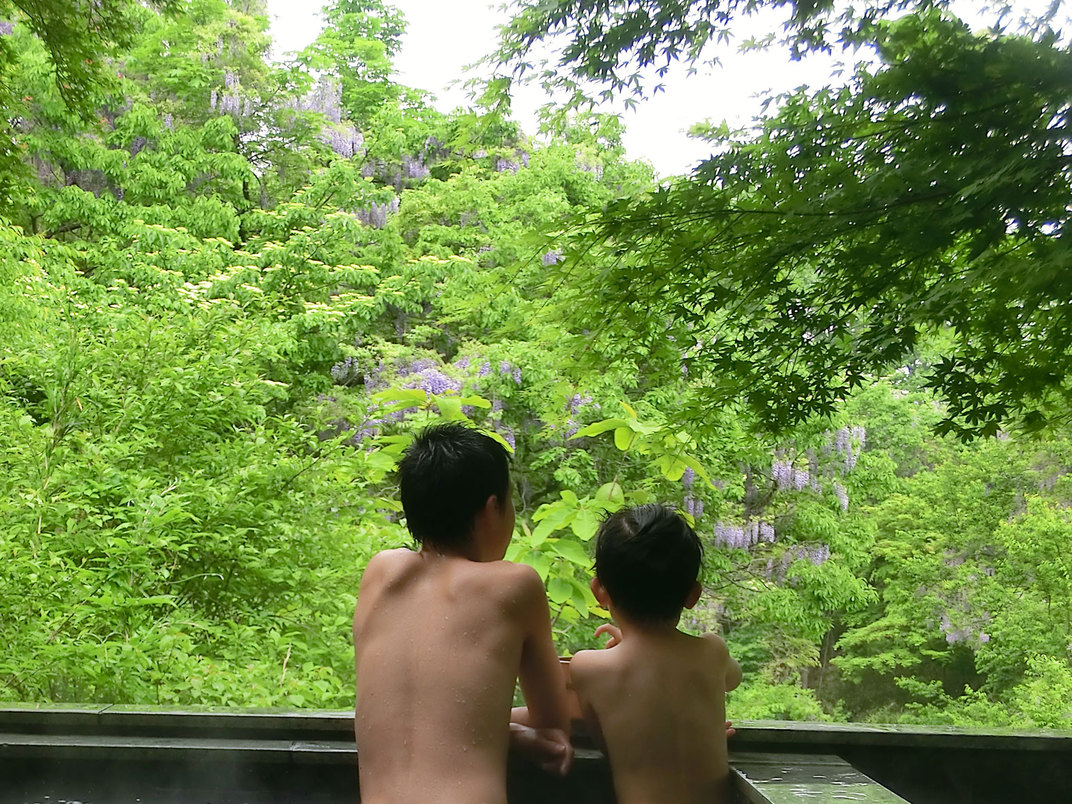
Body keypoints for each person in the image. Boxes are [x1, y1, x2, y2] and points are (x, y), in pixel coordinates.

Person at [352, 422, 572, 804]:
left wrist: (494, 728)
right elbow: (553, 723)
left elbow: (415, 704)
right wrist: (512, 731)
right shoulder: (514, 585)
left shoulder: (380, 573)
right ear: (491, 509)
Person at [569, 503, 743, 804]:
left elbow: (609, 739)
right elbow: (732, 679)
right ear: (693, 595)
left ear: (599, 592)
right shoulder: (712, 651)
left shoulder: (590, 668)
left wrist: (630, 647)